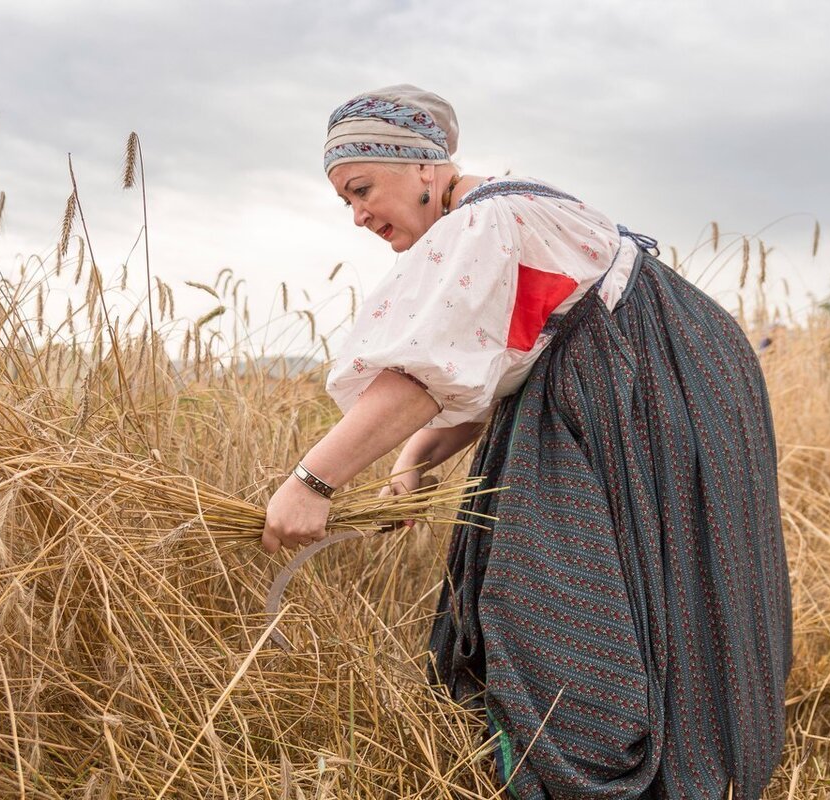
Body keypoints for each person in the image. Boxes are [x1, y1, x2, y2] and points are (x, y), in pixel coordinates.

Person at [262, 84, 792, 800]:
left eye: (361, 188)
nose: (356, 215)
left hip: (652, 396)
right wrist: (415, 460)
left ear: (425, 167)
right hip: (679, 384)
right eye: (344, 202)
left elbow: (423, 375)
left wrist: (311, 482)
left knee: (545, 601)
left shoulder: (488, 223)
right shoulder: (507, 213)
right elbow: (490, 370)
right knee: (647, 596)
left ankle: (609, 776)